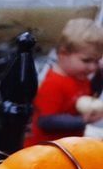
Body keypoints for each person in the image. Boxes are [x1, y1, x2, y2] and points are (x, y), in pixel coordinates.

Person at [26, 18, 103, 146]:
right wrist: (82, 120)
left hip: (66, 149)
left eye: (96, 61)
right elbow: (46, 121)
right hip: (44, 151)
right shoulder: (54, 83)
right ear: (63, 53)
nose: (93, 67)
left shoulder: (80, 78)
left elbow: (91, 94)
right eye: (86, 61)